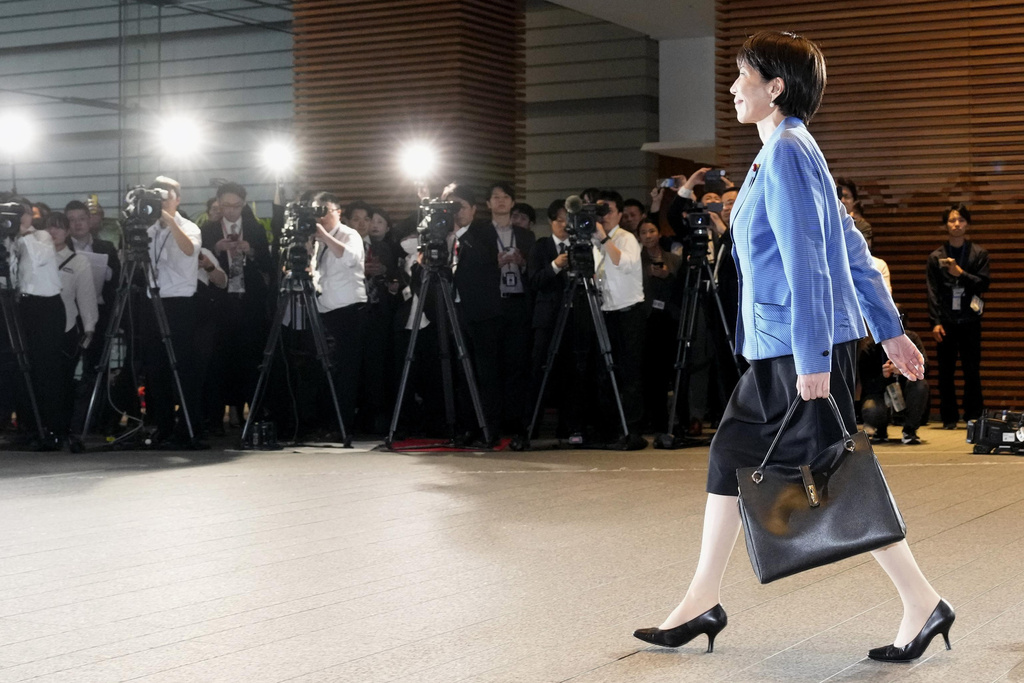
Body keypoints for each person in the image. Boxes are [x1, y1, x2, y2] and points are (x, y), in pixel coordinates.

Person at [634, 31, 951, 663]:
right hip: (788, 346)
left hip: (797, 349)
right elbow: (848, 247)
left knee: (836, 473)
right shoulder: (781, 151)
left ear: (775, 87)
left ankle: (921, 601)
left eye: (742, 76)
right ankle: (702, 598)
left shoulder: (785, 152)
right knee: (737, 457)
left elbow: (813, 262)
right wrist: (889, 328)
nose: (731, 87)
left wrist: (812, 358)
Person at [454, 182, 535, 443]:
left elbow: (536, 273)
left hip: (517, 307)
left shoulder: (525, 236)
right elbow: (466, 274)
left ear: (512, 202)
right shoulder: (475, 234)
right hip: (488, 309)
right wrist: (494, 263)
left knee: (516, 368)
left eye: (505, 197)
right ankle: (488, 425)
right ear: (487, 204)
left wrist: (522, 264)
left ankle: (515, 423)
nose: (500, 201)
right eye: (495, 197)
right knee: (487, 371)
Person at [200, 182, 273, 432]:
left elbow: (267, 262)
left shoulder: (255, 228)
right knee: (218, 361)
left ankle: (254, 416)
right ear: (218, 204)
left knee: (250, 359)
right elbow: (198, 262)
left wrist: (250, 250)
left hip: (248, 301)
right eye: (226, 206)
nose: (231, 211)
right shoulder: (207, 230)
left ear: (244, 204)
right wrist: (216, 249)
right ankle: (214, 418)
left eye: (236, 206)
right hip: (219, 302)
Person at [142, 176, 204, 447]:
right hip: (153, 302)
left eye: (167, 198)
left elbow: (189, 250)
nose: (163, 203)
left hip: (181, 304)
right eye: (159, 199)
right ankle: (163, 425)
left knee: (183, 368)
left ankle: (188, 426)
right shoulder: (149, 229)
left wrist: (169, 221)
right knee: (156, 369)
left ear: (178, 199)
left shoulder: (189, 226)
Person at [2, 195, 65, 448]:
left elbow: (38, 259)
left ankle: (52, 427)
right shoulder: (7, 240)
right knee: (21, 368)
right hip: (21, 305)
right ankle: (28, 427)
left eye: (22, 212)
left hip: (45, 306)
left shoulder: (41, 237)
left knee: (46, 370)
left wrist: (24, 232)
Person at [926, 203, 989, 429]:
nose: (956, 224)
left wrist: (960, 273)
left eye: (961, 220)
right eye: (952, 220)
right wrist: (935, 322)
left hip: (971, 320)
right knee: (946, 372)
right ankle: (949, 417)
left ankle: (973, 414)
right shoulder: (936, 257)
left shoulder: (978, 254)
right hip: (946, 322)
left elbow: (984, 283)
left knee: (972, 369)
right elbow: (932, 292)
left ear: (967, 224)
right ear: (946, 225)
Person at [592, 190, 645, 444]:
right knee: (606, 373)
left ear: (620, 214)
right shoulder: (594, 239)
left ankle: (631, 429)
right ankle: (609, 428)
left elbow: (622, 263)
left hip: (628, 312)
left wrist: (603, 239)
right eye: (599, 210)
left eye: (608, 210)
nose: (604, 216)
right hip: (605, 311)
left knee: (629, 374)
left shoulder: (626, 238)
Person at [312, 191, 366, 435]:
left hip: (348, 311)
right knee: (328, 369)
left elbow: (351, 259)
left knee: (345, 371)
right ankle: (328, 422)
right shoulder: (316, 242)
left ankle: (342, 424)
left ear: (337, 212)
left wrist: (323, 236)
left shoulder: (348, 234)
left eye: (325, 210)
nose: (320, 216)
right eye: (316, 211)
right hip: (325, 311)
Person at [46, 211, 99, 439]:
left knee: (63, 381)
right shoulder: (36, 258)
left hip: (66, 328)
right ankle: (41, 428)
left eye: (58, 227)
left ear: (67, 232)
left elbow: (86, 297)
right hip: (36, 328)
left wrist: (89, 327)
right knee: (42, 380)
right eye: (49, 227)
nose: (53, 232)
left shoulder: (78, 261)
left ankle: (64, 427)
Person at [639, 218, 681, 431]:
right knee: (650, 372)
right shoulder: (636, 259)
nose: (648, 235)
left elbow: (681, 287)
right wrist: (646, 273)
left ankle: (672, 420)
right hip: (647, 319)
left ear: (658, 234)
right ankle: (652, 418)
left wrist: (668, 274)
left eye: (651, 231)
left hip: (670, 319)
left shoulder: (673, 259)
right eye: (643, 232)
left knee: (669, 371)